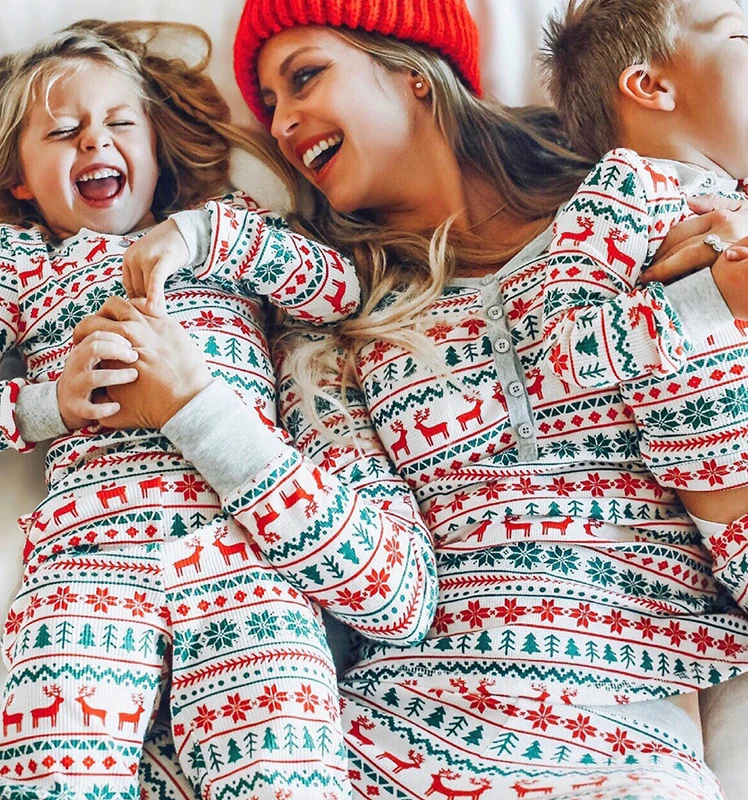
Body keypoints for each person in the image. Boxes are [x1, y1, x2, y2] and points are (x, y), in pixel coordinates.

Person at [76, 0, 748, 798]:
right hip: (381, 741)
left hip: (619, 748)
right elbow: (384, 589)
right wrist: (196, 405)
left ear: (413, 70)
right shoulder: (335, 334)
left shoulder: (649, 200)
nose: (282, 126)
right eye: (270, 108)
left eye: (305, 76)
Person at [0, 20, 437, 800]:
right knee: (53, 777)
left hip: (248, 559)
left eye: (120, 123)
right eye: (63, 132)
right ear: (21, 181)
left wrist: (203, 234)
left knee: (285, 776)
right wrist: (48, 404)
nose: (94, 142)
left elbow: (336, 288)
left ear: (157, 147)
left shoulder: (226, 229)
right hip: (87, 565)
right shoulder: (26, 265)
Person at [537, 0, 748, 652]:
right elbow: (557, 366)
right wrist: (714, 297)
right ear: (651, 85)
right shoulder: (625, 193)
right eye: (739, 36)